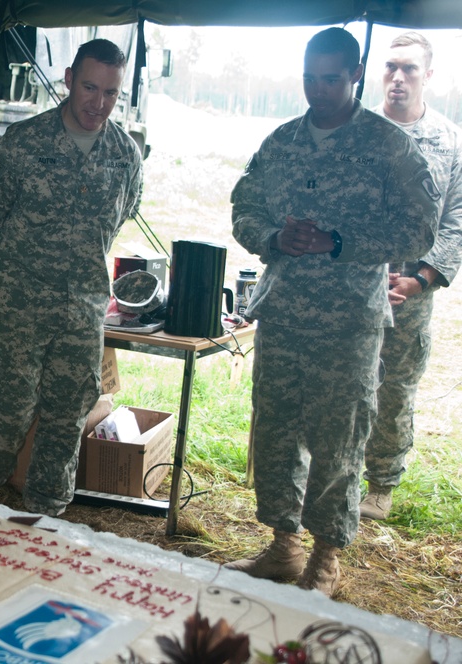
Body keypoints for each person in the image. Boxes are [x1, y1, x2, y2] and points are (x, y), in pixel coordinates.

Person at [227, 28, 440, 596]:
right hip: (286, 313)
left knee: (339, 438)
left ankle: (326, 556)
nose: (318, 91)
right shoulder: (282, 142)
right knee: (274, 432)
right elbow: (243, 206)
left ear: (355, 75)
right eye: (310, 78)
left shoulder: (387, 146)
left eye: (331, 78)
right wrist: (274, 236)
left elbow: (421, 226)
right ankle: (283, 546)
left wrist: (340, 242)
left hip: (349, 322)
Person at [0, 39, 143, 517]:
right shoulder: (21, 143)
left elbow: (123, 215)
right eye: (88, 87)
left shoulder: (126, 155)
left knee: (68, 414)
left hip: (82, 310)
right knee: (7, 408)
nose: (97, 103)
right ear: (68, 79)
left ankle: (46, 515)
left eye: (109, 92)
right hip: (20, 304)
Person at [360, 32, 462, 521]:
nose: (397, 78)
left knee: (396, 387)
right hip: (352, 286)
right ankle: (328, 471)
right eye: (390, 67)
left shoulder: (449, 140)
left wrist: (420, 279)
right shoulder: (356, 129)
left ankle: (380, 483)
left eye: (409, 70)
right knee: (341, 383)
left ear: (429, 76)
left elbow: (457, 218)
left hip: (412, 293)